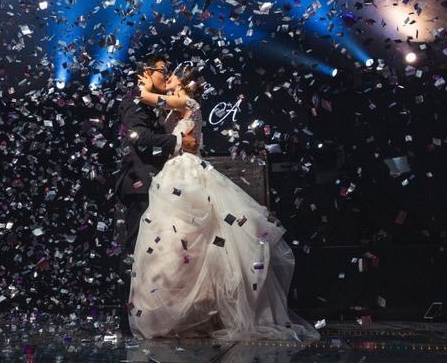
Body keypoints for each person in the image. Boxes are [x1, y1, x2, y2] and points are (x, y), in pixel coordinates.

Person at [127, 63, 320, 341]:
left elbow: (146, 96)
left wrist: (145, 84)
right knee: (175, 239)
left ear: (183, 82)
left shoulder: (188, 102)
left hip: (187, 171)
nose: (166, 78)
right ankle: (181, 311)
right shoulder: (173, 107)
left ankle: (198, 310)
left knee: (192, 235)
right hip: (173, 170)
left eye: (171, 76)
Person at [114, 54, 199, 337]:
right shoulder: (136, 100)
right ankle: (130, 321)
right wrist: (176, 141)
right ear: (145, 72)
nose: (166, 76)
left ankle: (152, 314)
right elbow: (138, 136)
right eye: (162, 71)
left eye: (168, 72)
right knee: (136, 250)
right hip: (138, 183)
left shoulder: (151, 102)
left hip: (156, 183)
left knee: (153, 251)